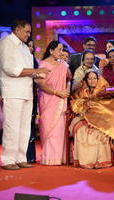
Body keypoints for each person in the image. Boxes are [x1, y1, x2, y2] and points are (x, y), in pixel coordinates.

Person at [0, 19, 49, 170]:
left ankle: (21, 158)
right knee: (12, 127)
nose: (29, 34)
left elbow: (28, 70)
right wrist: (36, 71)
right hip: (13, 91)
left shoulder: (24, 47)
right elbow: (11, 69)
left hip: (27, 92)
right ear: (17, 29)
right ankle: (8, 159)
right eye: (27, 31)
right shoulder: (6, 43)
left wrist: (37, 75)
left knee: (24, 128)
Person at [69, 71, 114, 169]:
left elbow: (110, 108)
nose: (92, 81)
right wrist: (85, 104)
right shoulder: (82, 91)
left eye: (94, 78)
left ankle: (101, 160)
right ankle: (86, 161)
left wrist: (96, 110)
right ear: (86, 81)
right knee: (81, 130)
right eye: (89, 78)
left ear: (98, 79)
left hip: (102, 121)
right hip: (84, 118)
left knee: (98, 132)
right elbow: (75, 102)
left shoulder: (105, 91)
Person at [35, 41, 71, 165]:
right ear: (51, 51)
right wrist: (57, 92)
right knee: (48, 128)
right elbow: (40, 84)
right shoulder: (43, 64)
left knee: (59, 128)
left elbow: (69, 79)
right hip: (47, 99)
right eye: (59, 50)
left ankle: (60, 158)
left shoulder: (63, 65)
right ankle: (49, 158)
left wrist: (66, 89)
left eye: (62, 50)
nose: (61, 53)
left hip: (60, 101)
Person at [25, 38, 39, 163]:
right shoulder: (18, 61)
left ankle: (30, 156)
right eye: (29, 46)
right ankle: (21, 156)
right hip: (20, 96)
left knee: (30, 126)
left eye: (32, 46)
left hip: (32, 97)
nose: (31, 49)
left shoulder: (34, 61)